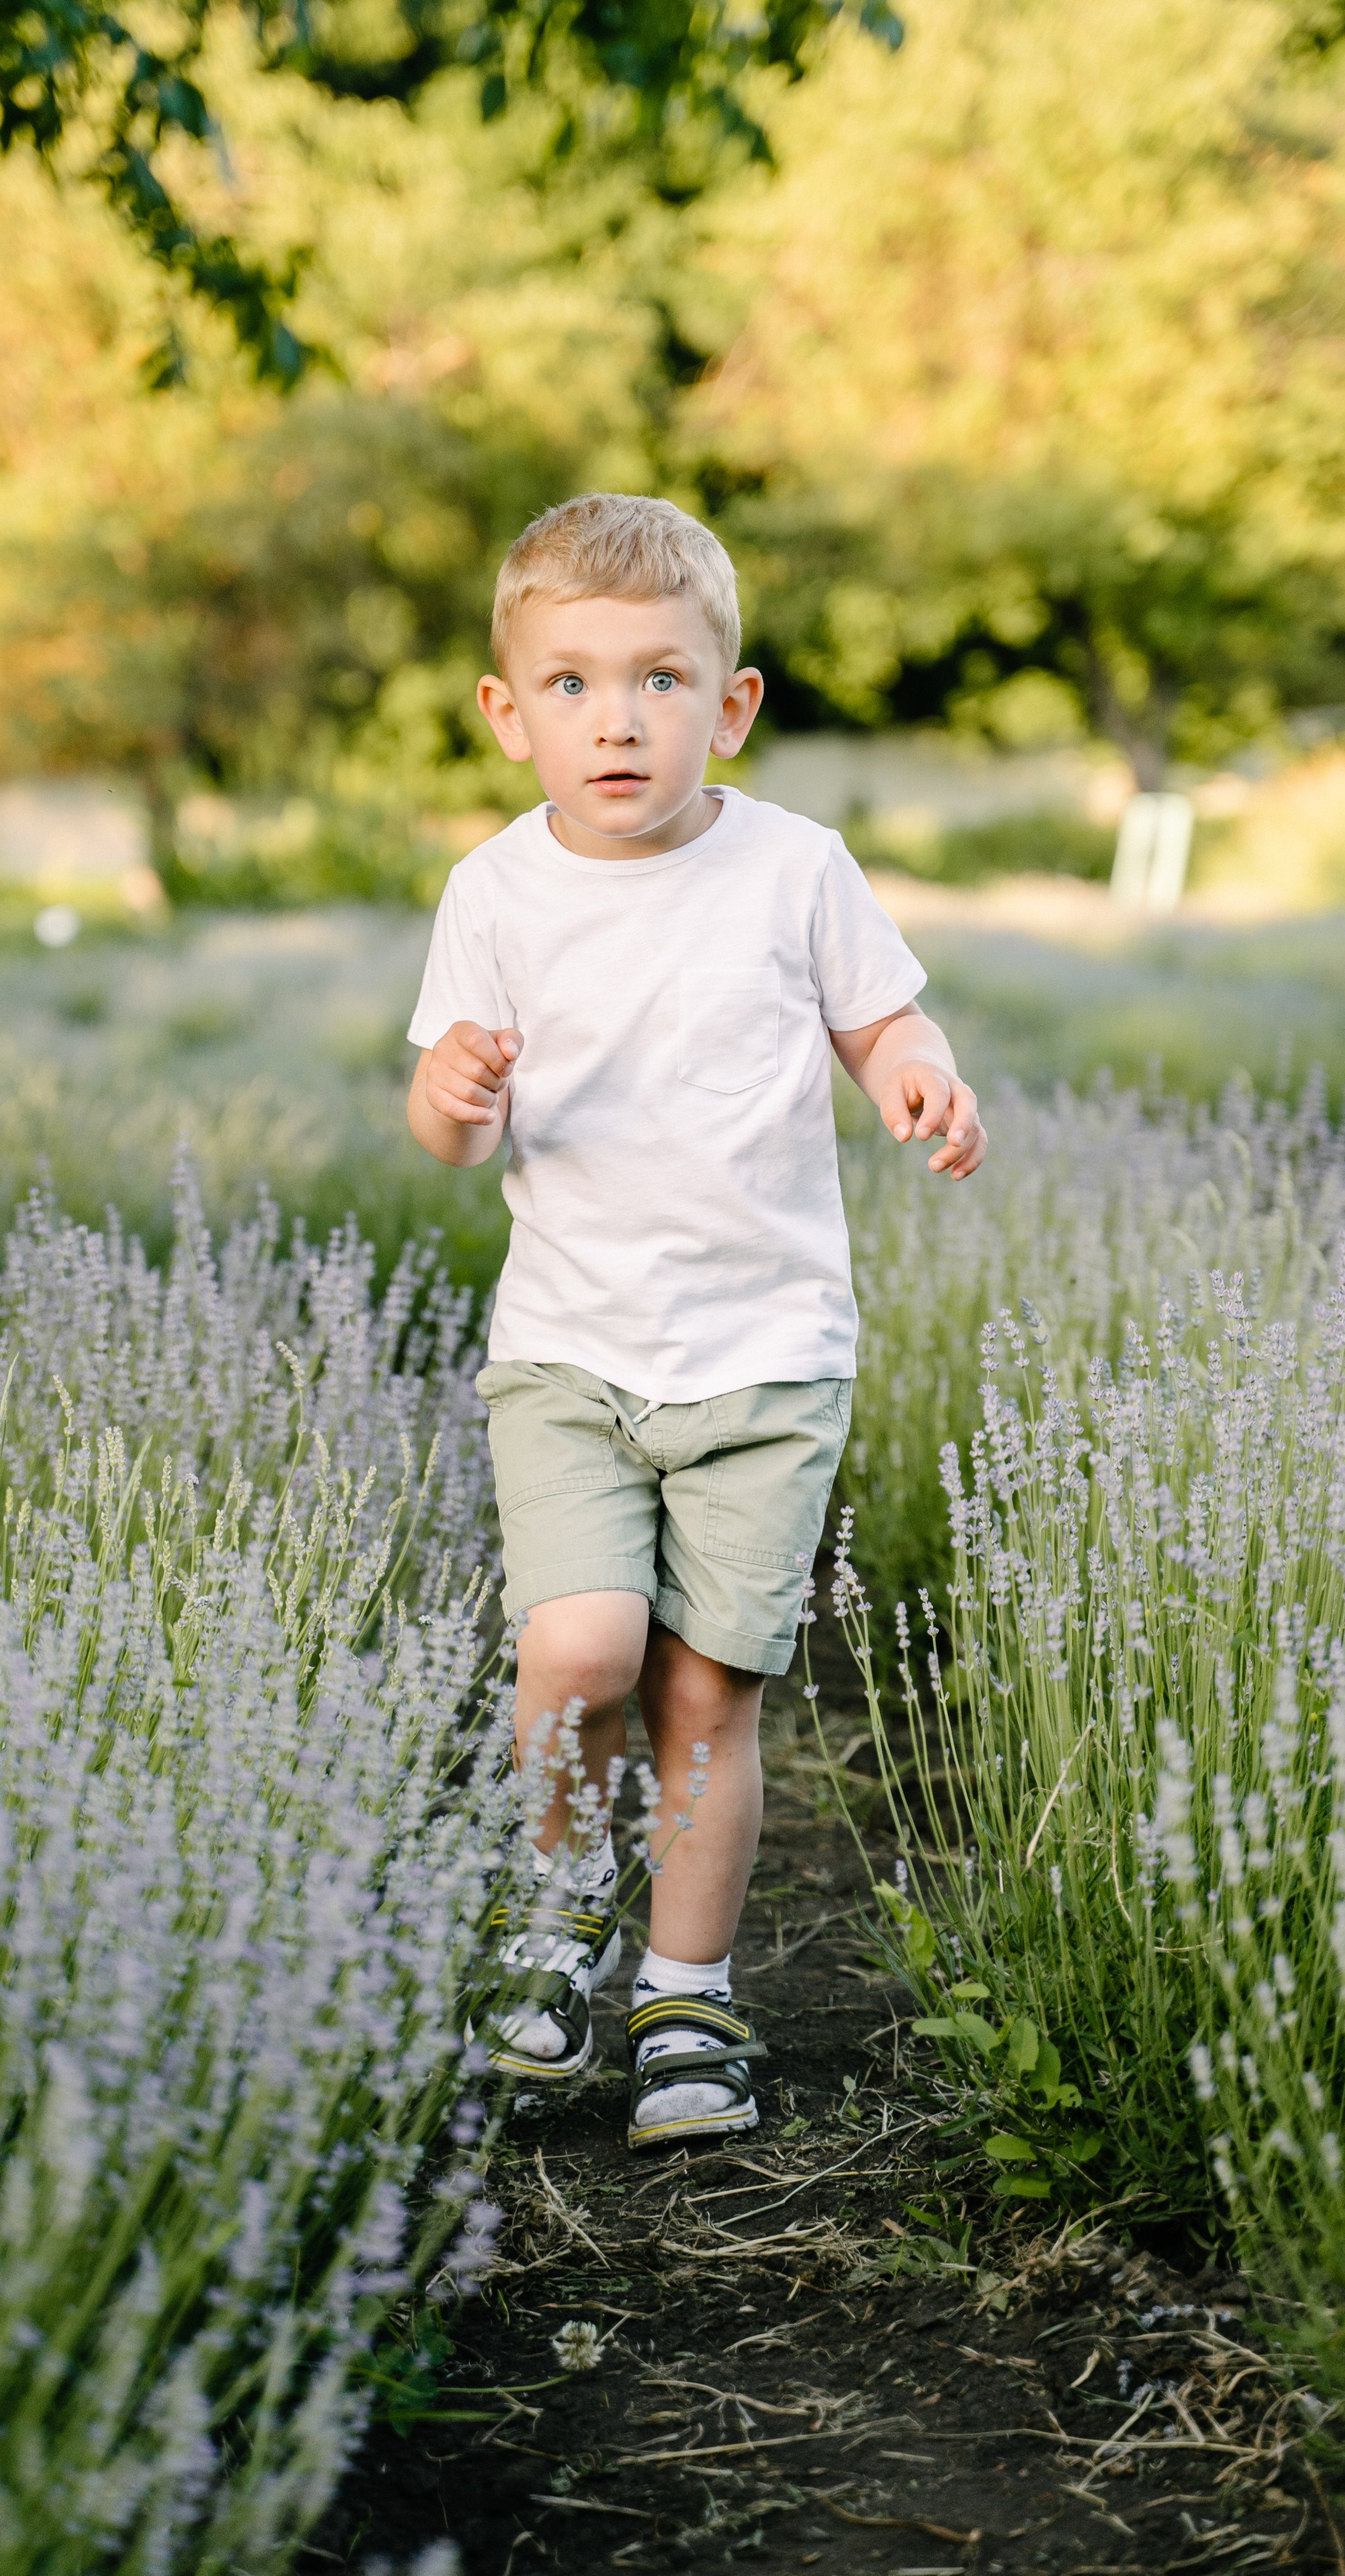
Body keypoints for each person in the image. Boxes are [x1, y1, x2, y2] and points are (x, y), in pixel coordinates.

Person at [406, 493, 987, 2147]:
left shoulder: (792, 867)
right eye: (573, 684)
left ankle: (687, 1992)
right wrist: (450, 1096)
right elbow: (446, 1132)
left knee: (704, 1695)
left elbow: (883, 1018)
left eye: (659, 679)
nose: (616, 719)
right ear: (506, 713)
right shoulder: (495, 891)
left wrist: (917, 1078)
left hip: (763, 1361)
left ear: (725, 704)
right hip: (571, 1353)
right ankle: (549, 1906)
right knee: (576, 1651)